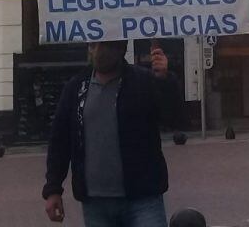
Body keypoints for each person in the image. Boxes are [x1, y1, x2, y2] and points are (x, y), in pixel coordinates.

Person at [43, 41, 184, 226]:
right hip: (95, 203)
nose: (98, 52)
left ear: (121, 49)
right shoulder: (76, 88)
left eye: (105, 46)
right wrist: (53, 189)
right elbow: (60, 140)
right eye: (93, 45)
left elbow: (173, 118)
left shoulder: (143, 81)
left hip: (143, 198)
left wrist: (165, 81)